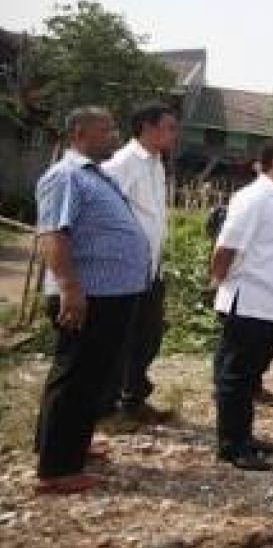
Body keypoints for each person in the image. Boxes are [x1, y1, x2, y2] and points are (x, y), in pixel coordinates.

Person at [32, 107, 152, 494]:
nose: (114, 135)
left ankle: (69, 445)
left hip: (111, 295)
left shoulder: (94, 176)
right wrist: (69, 286)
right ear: (80, 133)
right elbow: (53, 235)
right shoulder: (65, 176)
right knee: (75, 377)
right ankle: (57, 468)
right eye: (106, 129)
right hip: (88, 295)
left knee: (92, 377)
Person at [208, 138, 273, 471]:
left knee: (249, 376)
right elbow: (227, 246)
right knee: (236, 375)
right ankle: (232, 446)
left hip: (269, 304)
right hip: (249, 300)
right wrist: (218, 282)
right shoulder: (254, 197)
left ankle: (243, 436)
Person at [99, 101, 179, 422]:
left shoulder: (156, 163)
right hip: (125, 270)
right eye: (169, 128)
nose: (174, 135)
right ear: (147, 127)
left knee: (148, 335)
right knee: (121, 338)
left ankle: (133, 396)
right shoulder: (122, 164)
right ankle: (107, 404)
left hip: (149, 268)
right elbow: (104, 215)